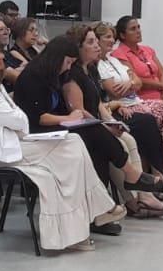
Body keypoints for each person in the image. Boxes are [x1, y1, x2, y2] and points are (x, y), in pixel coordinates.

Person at [0, 35, 123, 253]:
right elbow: (20, 119)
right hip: (1, 152)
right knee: (72, 146)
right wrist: (18, 117)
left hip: (15, 142)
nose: (1, 55)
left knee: (71, 148)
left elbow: (18, 118)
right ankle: (96, 210)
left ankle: (79, 226)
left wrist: (18, 117)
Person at [14, 35, 131, 237]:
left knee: (96, 145)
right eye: (67, 62)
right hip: (34, 135)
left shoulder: (53, 75)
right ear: (57, 58)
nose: (68, 68)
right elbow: (38, 117)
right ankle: (126, 178)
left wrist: (69, 118)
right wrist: (68, 118)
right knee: (92, 133)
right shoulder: (32, 77)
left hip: (53, 129)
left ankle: (98, 213)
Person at [67, 27, 163, 219]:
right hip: (84, 125)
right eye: (91, 42)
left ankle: (141, 196)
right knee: (121, 142)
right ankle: (135, 198)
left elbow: (98, 103)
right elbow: (79, 110)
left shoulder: (91, 69)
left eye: (96, 41)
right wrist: (104, 123)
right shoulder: (72, 75)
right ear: (78, 47)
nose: (97, 46)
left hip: (99, 119)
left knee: (129, 139)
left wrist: (109, 121)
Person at [92, 21, 163, 190]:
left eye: (112, 37)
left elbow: (138, 81)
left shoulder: (114, 60)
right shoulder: (102, 64)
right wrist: (133, 84)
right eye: (108, 37)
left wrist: (132, 84)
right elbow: (115, 91)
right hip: (127, 104)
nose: (112, 40)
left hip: (138, 100)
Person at [4, 17, 40, 83]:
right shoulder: (14, 52)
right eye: (31, 30)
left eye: (36, 30)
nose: (36, 34)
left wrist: (46, 42)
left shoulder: (32, 50)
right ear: (20, 32)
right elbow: (34, 70)